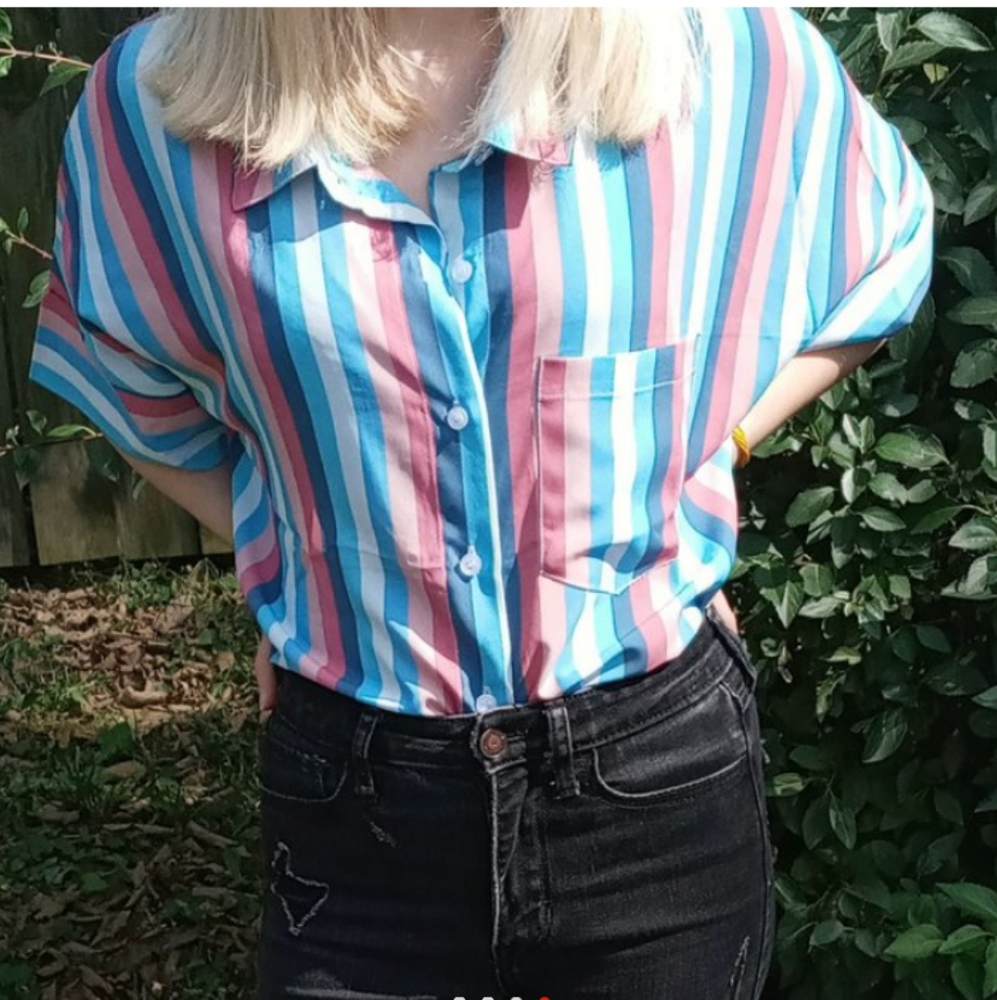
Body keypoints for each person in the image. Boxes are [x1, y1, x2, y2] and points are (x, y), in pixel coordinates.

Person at [27, 7, 933, 998]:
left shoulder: (720, 53)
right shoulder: (155, 101)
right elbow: (123, 367)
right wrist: (302, 541)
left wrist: (712, 448)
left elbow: (881, 253)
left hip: (655, 775)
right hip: (358, 801)